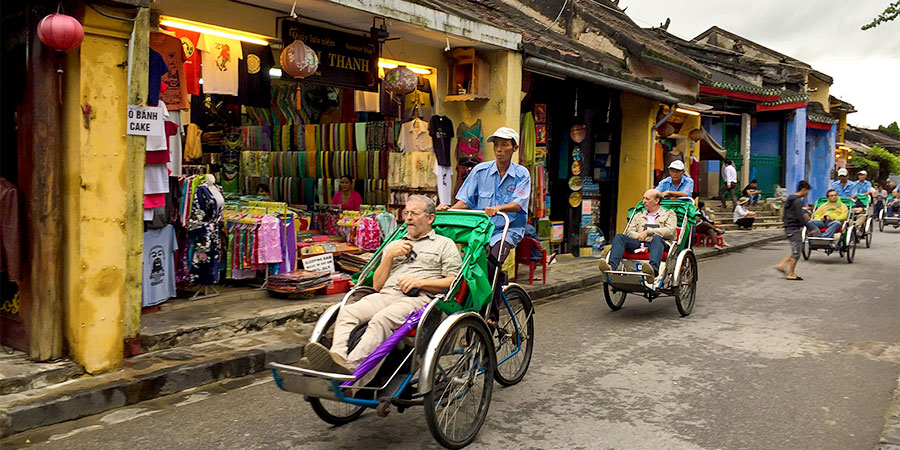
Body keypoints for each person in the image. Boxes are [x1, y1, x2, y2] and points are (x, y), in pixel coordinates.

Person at [304, 196, 462, 374]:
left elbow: (452, 281)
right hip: (385, 294)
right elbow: (377, 285)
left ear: (430, 218)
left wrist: (420, 282)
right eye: (406, 213)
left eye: (414, 213)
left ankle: (352, 369)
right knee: (348, 311)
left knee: (382, 320)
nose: (408, 218)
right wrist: (388, 256)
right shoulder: (395, 244)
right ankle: (337, 358)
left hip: (417, 300)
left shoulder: (444, 244)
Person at [437, 127, 530, 316]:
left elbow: (519, 203)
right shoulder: (480, 171)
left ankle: (491, 317)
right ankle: (471, 309)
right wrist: (449, 208)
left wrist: (499, 208)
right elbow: (466, 200)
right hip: (481, 230)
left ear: (514, 147)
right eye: (496, 144)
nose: (499, 149)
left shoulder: (522, 174)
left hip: (508, 230)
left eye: (504, 144)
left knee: (491, 264)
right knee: (468, 267)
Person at [598, 189, 676, 281]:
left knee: (657, 239)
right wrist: (639, 236)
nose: (644, 201)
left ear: (656, 200)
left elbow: (670, 231)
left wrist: (648, 232)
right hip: (639, 242)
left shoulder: (669, 214)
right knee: (620, 237)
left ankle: (652, 271)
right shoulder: (638, 215)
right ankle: (611, 267)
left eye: (647, 199)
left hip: (659, 244)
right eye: (643, 198)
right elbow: (629, 231)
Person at [775, 180, 811, 281]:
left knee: (796, 246)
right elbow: (800, 215)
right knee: (797, 251)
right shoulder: (797, 201)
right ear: (804, 189)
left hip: (788, 226)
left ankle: (782, 264)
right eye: (807, 191)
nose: (807, 193)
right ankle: (791, 273)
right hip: (793, 227)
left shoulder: (790, 199)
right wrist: (807, 226)